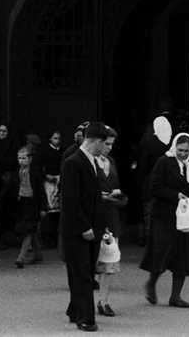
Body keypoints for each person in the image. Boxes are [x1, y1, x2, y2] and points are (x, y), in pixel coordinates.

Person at [60, 122, 112, 332]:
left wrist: (102, 225)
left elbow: (90, 196)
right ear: (97, 142)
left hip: (93, 227)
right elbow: (70, 200)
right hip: (78, 230)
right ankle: (86, 319)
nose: (107, 148)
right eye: (106, 143)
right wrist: (84, 227)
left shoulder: (92, 161)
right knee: (82, 273)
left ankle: (75, 310)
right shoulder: (73, 162)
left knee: (84, 272)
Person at [140, 132, 189, 309]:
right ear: (174, 147)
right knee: (161, 253)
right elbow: (155, 187)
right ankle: (151, 282)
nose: (183, 154)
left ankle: (176, 296)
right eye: (180, 150)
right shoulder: (164, 162)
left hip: (184, 218)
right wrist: (175, 196)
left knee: (183, 255)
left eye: (187, 151)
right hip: (164, 215)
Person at [95, 127, 127, 318]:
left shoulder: (111, 161)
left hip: (111, 214)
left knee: (109, 260)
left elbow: (115, 184)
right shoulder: (87, 161)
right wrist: (101, 196)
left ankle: (103, 301)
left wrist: (117, 194)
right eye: (106, 144)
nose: (109, 148)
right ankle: (79, 302)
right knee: (92, 261)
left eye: (111, 145)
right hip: (95, 215)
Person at [136, 116, 171, 245]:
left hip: (150, 183)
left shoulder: (149, 144)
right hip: (168, 185)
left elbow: (143, 166)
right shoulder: (172, 143)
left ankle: (151, 243)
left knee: (150, 214)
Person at [12, 144, 47, 267]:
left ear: (30, 159)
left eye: (24, 158)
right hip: (22, 203)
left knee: (28, 230)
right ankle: (37, 254)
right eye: (19, 158)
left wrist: (43, 207)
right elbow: (9, 188)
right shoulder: (17, 173)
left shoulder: (36, 172)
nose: (21, 161)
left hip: (34, 203)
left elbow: (41, 190)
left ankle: (21, 257)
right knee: (31, 230)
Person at [40, 130, 64, 249]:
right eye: (55, 138)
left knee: (59, 210)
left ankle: (55, 237)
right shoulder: (45, 151)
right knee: (50, 209)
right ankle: (47, 238)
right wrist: (46, 175)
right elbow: (38, 166)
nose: (57, 141)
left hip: (61, 179)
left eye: (59, 138)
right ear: (50, 139)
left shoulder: (63, 151)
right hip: (49, 180)